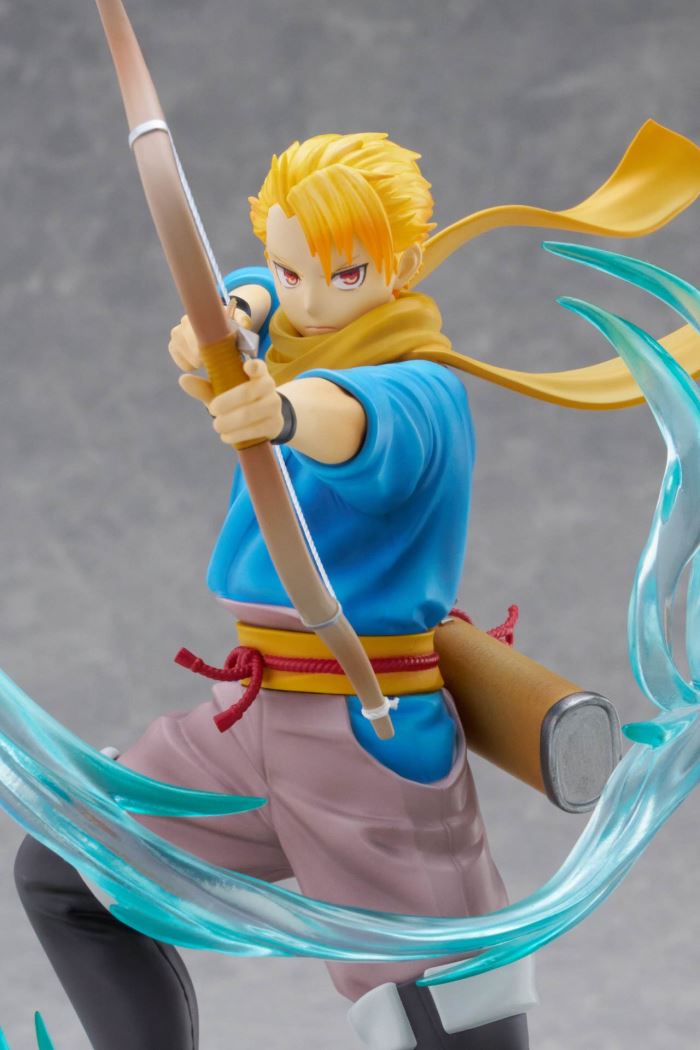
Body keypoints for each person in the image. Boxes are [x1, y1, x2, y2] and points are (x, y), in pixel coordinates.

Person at [14, 127, 700, 1050]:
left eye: (344, 274)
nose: (310, 298)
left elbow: (355, 422)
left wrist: (281, 410)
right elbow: (274, 304)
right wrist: (241, 306)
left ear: (403, 266)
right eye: (290, 271)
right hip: (246, 723)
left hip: (368, 744)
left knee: (449, 1010)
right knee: (75, 871)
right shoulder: (296, 333)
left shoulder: (421, 392)